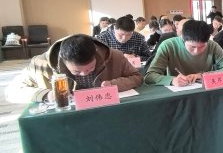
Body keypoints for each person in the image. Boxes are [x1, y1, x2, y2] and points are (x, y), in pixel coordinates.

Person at [5, 34, 142, 103]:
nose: (83, 74)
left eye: (90, 69)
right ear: (63, 61)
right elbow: (12, 91)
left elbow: (136, 77)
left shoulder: (114, 56)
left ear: (96, 55)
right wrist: (47, 94)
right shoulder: (41, 63)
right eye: (76, 71)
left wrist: (113, 84)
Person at [144, 20, 223, 86]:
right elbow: (150, 76)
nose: (196, 51)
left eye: (202, 47)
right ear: (183, 38)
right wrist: (172, 80)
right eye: (192, 47)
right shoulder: (168, 45)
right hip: (178, 93)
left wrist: (201, 75)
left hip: (205, 91)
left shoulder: (212, 45)